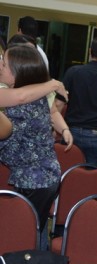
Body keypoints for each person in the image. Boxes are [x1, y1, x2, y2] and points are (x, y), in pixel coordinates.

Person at [0, 44, 61, 249]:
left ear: (18, 74)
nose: (0, 66)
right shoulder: (35, 96)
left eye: (4, 64)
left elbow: (8, 144)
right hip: (43, 177)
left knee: (26, 235)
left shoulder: (20, 106)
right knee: (36, 230)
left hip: (35, 181)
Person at [55, 36, 97, 167]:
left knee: (66, 172)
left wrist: (54, 127)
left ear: (90, 51)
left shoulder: (73, 72)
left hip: (70, 131)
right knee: (91, 179)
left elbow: (59, 103)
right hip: (96, 135)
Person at [7, 34, 73, 150]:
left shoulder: (43, 83)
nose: (31, 56)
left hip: (35, 152)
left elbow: (53, 112)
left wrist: (64, 129)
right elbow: (20, 96)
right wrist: (54, 84)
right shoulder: (5, 81)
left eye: (33, 52)